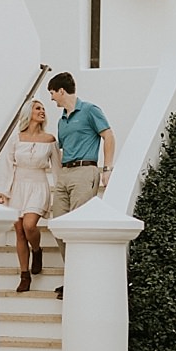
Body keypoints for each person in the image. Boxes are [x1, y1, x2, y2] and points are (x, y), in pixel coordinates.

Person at [48, 71, 116, 300]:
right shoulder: (61, 121)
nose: (52, 99)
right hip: (65, 174)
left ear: (61, 90)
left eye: (52, 93)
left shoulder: (90, 110)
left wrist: (107, 169)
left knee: (78, 226)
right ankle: (75, 276)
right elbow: (60, 149)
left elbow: (108, 137)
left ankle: (78, 281)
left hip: (86, 171)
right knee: (57, 225)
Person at [0, 99, 61, 293]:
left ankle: (37, 250)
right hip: (17, 186)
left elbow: (57, 169)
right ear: (28, 112)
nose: (42, 111)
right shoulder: (16, 138)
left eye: (43, 109)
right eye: (38, 108)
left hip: (39, 185)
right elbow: (8, 165)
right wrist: (3, 191)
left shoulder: (50, 140)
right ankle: (24, 275)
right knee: (18, 230)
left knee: (29, 225)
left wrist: (60, 191)